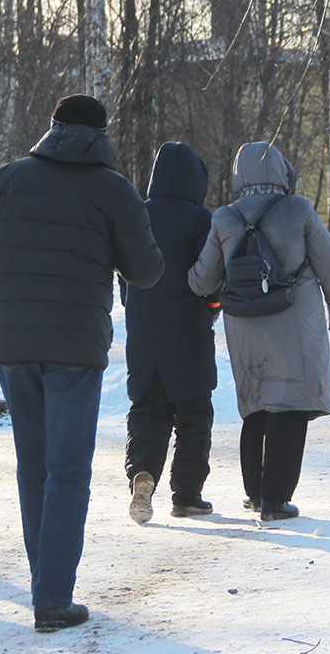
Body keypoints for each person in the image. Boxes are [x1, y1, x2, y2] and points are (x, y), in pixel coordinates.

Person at [0, 95, 163, 633]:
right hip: (75, 344)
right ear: (101, 133)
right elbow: (148, 270)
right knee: (67, 470)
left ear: (53, 128)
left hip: (11, 340)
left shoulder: (7, 178)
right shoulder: (113, 189)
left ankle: (47, 583)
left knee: (34, 464)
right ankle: (52, 597)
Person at [188, 142, 330, 522]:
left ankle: (256, 495)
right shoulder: (297, 209)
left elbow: (202, 281)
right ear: (282, 171)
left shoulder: (225, 218)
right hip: (294, 322)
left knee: (257, 406)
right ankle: (276, 499)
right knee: (290, 405)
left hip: (243, 326)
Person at [122, 142, 220, 525]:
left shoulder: (138, 215)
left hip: (144, 333)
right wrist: (213, 306)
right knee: (194, 414)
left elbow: (126, 275)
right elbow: (209, 276)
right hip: (189, 332)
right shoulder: (200, 220)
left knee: (147, 410)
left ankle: (142, 475)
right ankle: (187, 494)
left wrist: (137, 307)